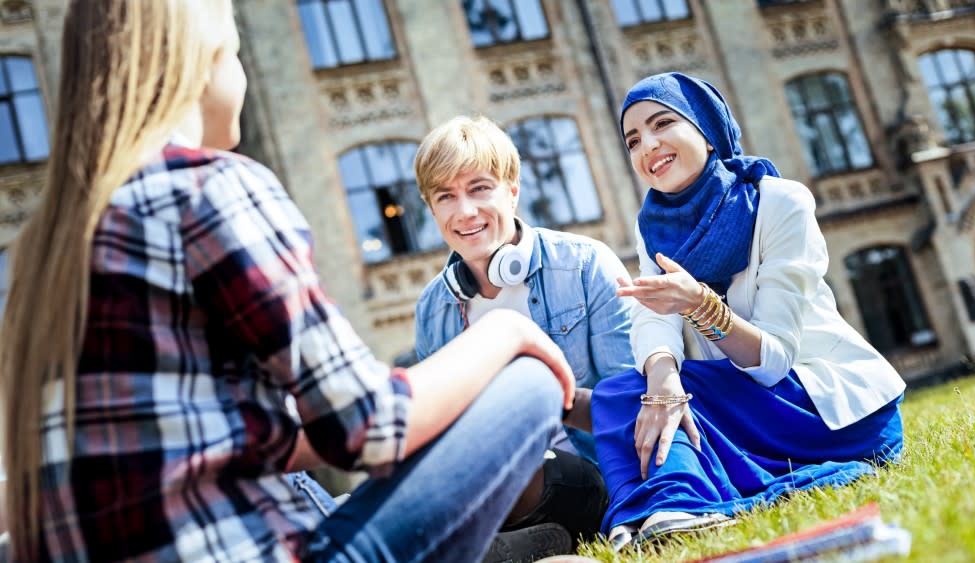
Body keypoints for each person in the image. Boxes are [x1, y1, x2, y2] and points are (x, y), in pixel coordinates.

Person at [0, 2, 577, 561]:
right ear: (201, 63)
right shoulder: (210, 189)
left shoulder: (42, 247)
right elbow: (369, 427)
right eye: (235, 51)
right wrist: (503, 332)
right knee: (526, 384)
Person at [592, 72, 907, 550]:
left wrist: (700, 304)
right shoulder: (653, 227)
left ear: (706, 128)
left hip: (826, 406)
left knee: (622, 395)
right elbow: (653, 319)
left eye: (662, 124)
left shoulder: (780, 202)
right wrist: (662, 376)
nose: (647, 146)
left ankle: (680, 501)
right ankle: (655, 511)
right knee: (633, 392)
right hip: (756, 407)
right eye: (633, 140)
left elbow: (774, 360)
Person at [412, 116, 634, 553]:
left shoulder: (585, 265)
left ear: (512, 191)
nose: (465, 211)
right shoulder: (433, 308)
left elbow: (630, 408)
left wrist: (536, 396)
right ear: (432, 209)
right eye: (446, 196)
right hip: (481, 487)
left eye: (479, 188)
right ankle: (510, 548)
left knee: (501, 465)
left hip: (589, 474)